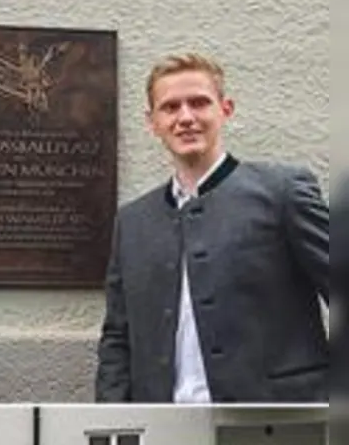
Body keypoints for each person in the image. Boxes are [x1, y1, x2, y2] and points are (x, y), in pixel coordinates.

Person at [95, 53, 329, 404]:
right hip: (164, 425)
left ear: (226, 109)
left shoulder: (283, 192)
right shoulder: (132, 221)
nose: (185, 118)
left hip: (276, 422)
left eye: (199, 103)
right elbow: (117, 336)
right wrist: (111, 420)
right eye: (170, 107)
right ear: (152, 122)